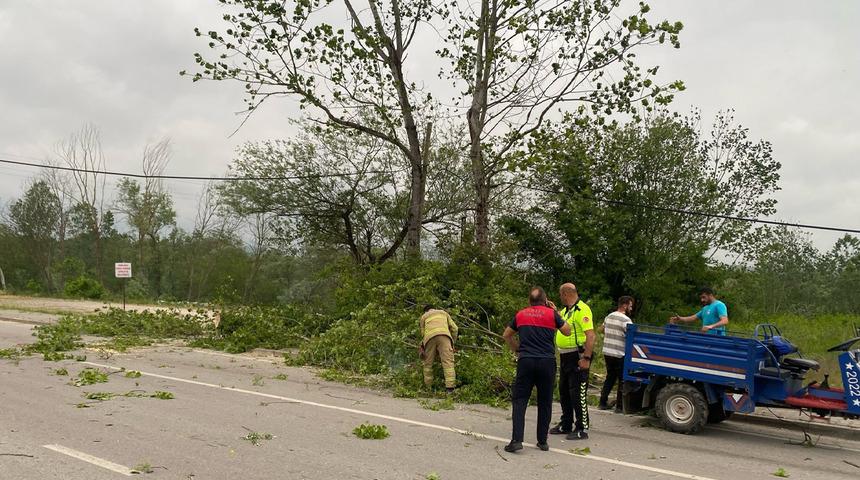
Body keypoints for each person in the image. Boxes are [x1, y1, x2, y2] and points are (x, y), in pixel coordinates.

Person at [502, 287, 571, 453]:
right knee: (545, 401)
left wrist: (517, 349)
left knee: (520, 400)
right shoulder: (552, 314)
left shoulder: (521, 314)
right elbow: (567, 331)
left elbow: (506, 335)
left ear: (529, 301)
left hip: (526, 361)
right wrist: (557, 313)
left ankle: (517, 440)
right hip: (547, 362)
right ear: (545, 300)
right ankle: (542, 441)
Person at [549, 283, 595, 440]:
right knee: (564, 391)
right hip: (565, 357)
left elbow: (590, 335)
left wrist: (586, 358)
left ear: (565, 294)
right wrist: (555, 311)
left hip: (578, 356)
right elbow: (562, 324)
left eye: (560, 294)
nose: (560, 297)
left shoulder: (582, 309)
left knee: (577, 393)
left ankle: (582, 428)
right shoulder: (565, 311)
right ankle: (566, 423)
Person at [597, 296, 634, 413]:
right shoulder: (626, 320)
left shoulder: (609, 316)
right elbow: (630, 337)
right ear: (625, 305)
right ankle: (619, 406)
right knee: (622, 380)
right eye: (630, 306)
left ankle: (602, 402)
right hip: (619, 353)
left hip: (607, 351)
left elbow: (601, 329)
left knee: (610, 377)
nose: (631, 308)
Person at [419, 305, 459, 393]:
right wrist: (452, 342)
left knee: (428, 363)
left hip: (429, 338)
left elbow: (422, 334)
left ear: (426, 311)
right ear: (435, 308)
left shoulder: (424, 317)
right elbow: (455, 328)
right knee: (448, 362)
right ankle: (450, 389)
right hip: (445, 337)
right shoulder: (443, 313)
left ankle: (428, 387)